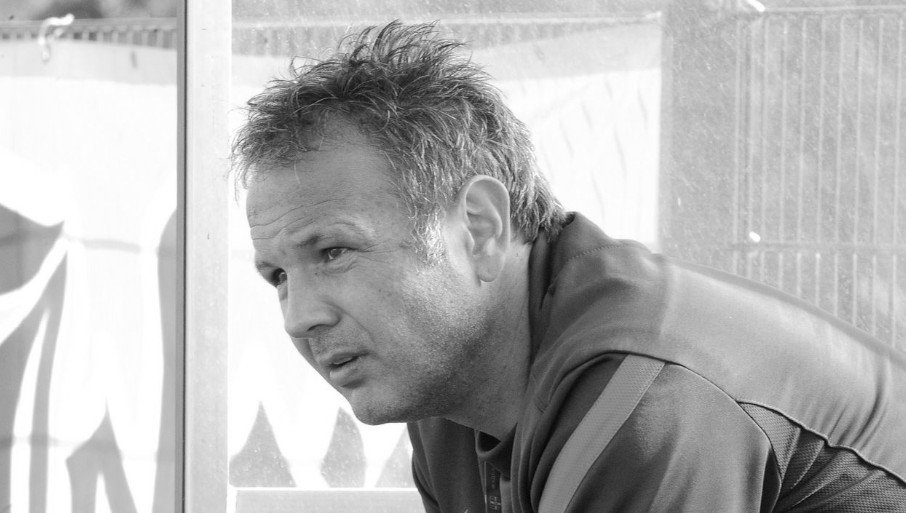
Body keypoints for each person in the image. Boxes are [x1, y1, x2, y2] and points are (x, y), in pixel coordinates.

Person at [232, 21, 906, 512]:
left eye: (334, 252)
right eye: (278, 276)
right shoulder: (443, 394)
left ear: (479, 229)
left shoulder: (641, 394)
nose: (299, 316)